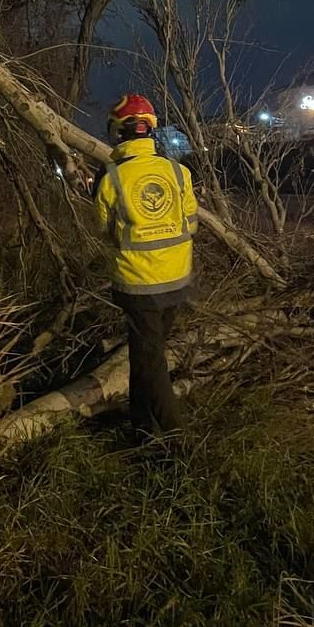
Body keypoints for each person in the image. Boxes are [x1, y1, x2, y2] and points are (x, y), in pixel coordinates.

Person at [93, 94, 198, 437]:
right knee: (145, 354)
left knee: (151, 362)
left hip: (138, 284)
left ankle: (176, 439)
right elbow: (191, 223)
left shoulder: (110, 178)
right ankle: (141, 427)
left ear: (118, 131)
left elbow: (103, 229)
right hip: (177, 279)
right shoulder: (178, 172)